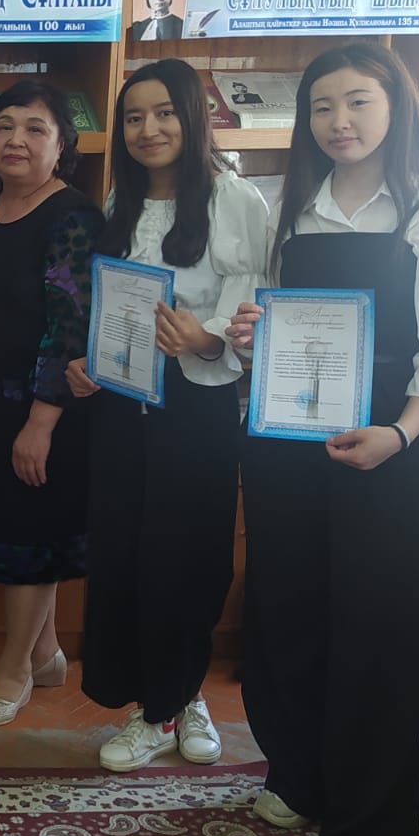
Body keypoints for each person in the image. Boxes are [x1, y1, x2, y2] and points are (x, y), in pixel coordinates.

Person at [226, 42, 419, 836]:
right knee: (287, 612)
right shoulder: (288, 206)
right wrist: (249, 336)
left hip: (389, 447)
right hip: (288, 442)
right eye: (323, 106)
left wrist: (398, 436)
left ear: (396, 108)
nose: (340, 121)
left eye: (359, 102)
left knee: (376, 628)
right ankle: (298, 777)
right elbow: (270, 323)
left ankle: (369, 828)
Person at [62, 59, 268, 769]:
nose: (148, 129)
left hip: (195, 404)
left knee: (187, 558)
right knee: (124, 555)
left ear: (192, 115)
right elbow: (106, 304)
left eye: (164, 113)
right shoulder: (119, 200)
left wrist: (205, 338)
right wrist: (88, 363)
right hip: (123, 405)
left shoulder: (234, 199)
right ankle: (156, 701)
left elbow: (252, 306)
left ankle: (173, 701)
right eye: (133, 117)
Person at [0, 80, 102, 727]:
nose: (16, 140)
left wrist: (40, 422)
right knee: (19, 532)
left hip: (43, 410)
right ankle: (45, 652)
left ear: (62, 146)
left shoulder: (73, 218)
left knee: (31, 536)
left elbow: (71, 327)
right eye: (5, 126)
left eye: (36, 129)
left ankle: (14, 670)